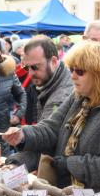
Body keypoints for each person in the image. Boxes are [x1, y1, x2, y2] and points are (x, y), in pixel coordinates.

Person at [2, 41, 100, 196]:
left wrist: (69, 164)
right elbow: (51, 128)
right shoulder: (78, 97)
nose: (73, 76)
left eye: (80, 71)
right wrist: (23, 135)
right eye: (72, 70)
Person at [7, 36, 74, 171]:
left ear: (54, 61)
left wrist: (17, 162)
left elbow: (47, 140)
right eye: (27, 68)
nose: (30, 74)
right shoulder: (48, 83)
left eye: (35, 67)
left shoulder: (61, 95)